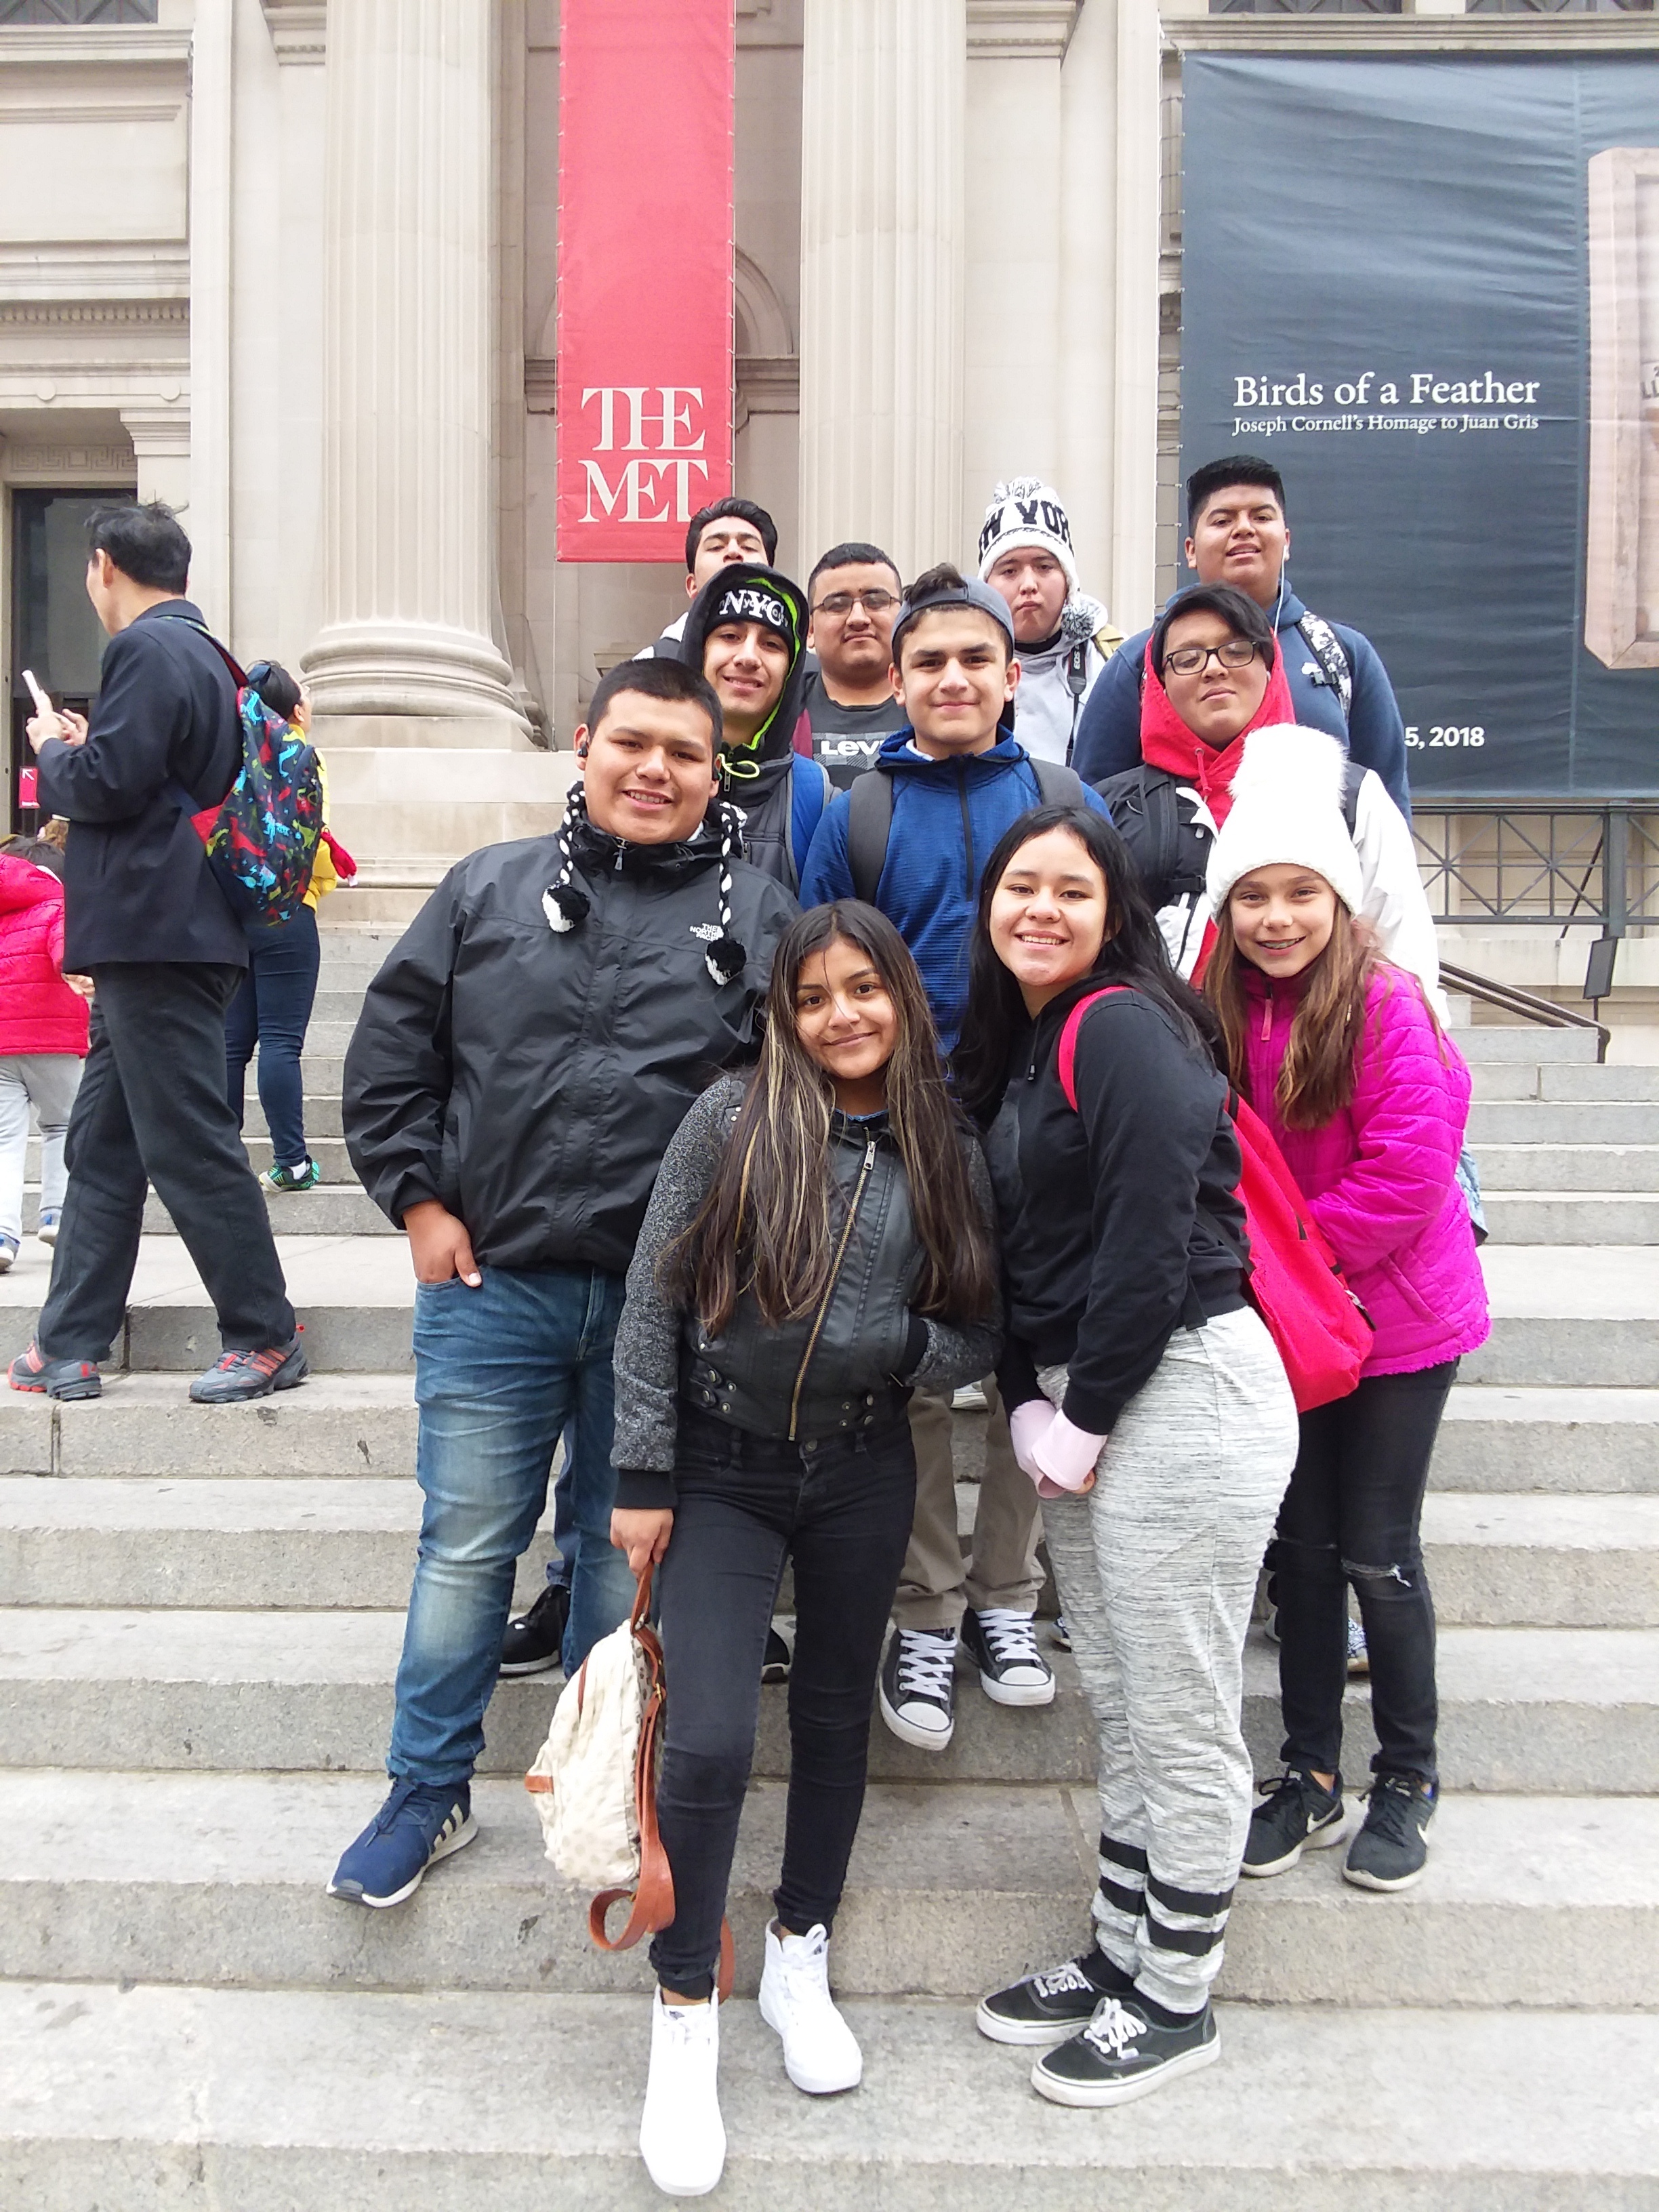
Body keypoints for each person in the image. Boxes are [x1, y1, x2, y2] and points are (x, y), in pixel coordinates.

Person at [329, 655, 796, 1912]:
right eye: (632, 742)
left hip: (661, 1312)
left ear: (714, 773)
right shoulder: (488, 886)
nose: (654, 770)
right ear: (582, 745)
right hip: (498, 1285)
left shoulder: (755, 916)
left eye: (683, 754)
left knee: (614, 1560)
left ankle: (598, 1779)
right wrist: (418, 1201)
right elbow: (389, 1056)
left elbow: (785, 1112)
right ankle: (424, 1790)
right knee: (468, 1543)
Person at [610, 900, 1000, 2197]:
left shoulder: (943, 1137)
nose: (843, 1015)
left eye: (865, 989)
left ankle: (798, 1948)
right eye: (816, 994)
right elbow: (653, 1298)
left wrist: (899, 1349)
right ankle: (683, 2013)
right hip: (722, 1467)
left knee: (835, 1713)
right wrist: (643, 1470)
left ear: (901, 994)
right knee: (714, 1732)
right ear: (784, 1009)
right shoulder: (727, 1117)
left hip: (861, 1461)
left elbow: (975, 1326)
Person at [957, 804, 1297, 2109]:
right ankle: (1119, 1949)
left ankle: (1175, 1995)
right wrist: (1029, 1398)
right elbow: (1011, 1253)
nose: (1038, 907)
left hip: (1181, 1390)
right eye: (1018, 886)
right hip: (1092, 1397)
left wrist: (1079, 1413)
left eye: (1069, 889)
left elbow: (1154, 1236)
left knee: (1179, 1706)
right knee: (1119, 1682)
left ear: (1113, 915)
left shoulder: (1120, 1024)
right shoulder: (1034, 1042)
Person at [801, 565, 1112, 1751]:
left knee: (1029, 1361)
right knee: (926, 1378)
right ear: (898, 671)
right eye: (927, 660)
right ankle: (925, 1608)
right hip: (909, 1121)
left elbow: (1100, 945)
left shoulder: (1060, 791)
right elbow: (820, 965)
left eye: (973, 660)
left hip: (1040, 1114)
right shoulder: (860, 807)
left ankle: (1007, 1598)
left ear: (1006, 674)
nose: (950, 679)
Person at [1202, 731, 1489, 1895]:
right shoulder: (1210, 1005)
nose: (1276, 917)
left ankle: (1406, 1777)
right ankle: (1309, 1773)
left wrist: (1284, 1263)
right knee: (1302, 1554)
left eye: (1299, 894)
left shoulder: (1382, 1002)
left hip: (1397, 1324)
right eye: (1252, 895)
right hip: (1290, 1324)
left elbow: (1407, 1172)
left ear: (1337, 895)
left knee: (1376, 1550)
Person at [10, 502, 303, 1407]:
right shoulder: (207, 653)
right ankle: (66, 1343)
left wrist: (53, 752)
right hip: (178, 928)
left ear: (102, 566)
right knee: (102, 1146)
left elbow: (109, 782)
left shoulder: (143, 648)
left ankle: (264, 1332)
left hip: (156, 933)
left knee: (187, 1143)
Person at [1097, 584, 1441, 1009]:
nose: (1213, 669)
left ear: (1269, 665)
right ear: (1160, 683)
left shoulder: (1348, 795)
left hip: (1322, 1058)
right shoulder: (1112, 808)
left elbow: (1404, 948)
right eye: (1187, 659)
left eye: (1236, 650)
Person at [1072, 455, 1412, 817]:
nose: (1244, 529)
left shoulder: (1342, 654)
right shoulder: (1140, 661)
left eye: (1262, 517)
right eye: (1223, 520)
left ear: (1287, 541)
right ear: (1190, 550)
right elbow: (1093, 803)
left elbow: (1386, 798)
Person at [223, 660, 336, 1195]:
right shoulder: (300, 756)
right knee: (282, 1042)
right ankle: (291, 1161)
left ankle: (216, 1157)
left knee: (231, 1043)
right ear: (294, 710)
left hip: (231, 916)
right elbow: (312, 844)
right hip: (289, 914)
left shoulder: (228, 755)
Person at [678, 561, 827, 891]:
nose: (748, 657)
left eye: (772, 644)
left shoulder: (818, 799)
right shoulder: (649, 778)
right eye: (730, 636)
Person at [977, 478, 1120, 767]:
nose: (1029, 584)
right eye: (1009, 570)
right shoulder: (959, 663)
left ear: (1069, 582)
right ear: (986, 585)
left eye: (1044, 567)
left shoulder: (1114, 661)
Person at [0, 836, 87, 1270]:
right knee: (62, 1126)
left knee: (4, 1139)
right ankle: (56, 1213)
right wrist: (77, 973)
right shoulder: (58, 903)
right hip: (56, 1039)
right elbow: (64, 947)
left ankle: (1, 1234)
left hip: (0, 1045)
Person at [798, 541, 908, 790]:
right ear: (810, 629)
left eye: (876, 601)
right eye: (837, 604)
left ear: (903, 617)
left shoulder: (936, 703)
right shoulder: (778, 715)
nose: (858, 618)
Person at [638, 497, 778, 659]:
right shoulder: (650, 668)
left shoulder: (805, 671)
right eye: (716, 547)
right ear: (692, 586)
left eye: (748, 547)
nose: (733, 551)